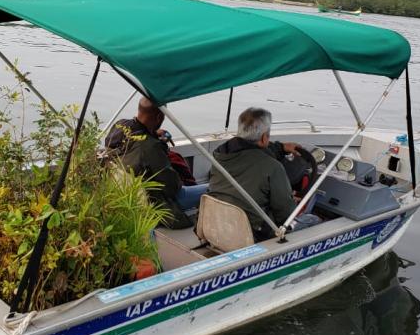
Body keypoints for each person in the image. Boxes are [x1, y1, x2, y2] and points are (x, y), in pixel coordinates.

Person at [207, 107, 320, 240]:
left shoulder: (220, 155)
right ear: (264, 138)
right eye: (268, 135)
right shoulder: (273, 167)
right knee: (313, 219)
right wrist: (290, 199)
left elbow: (251, 149)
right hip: (254, 233)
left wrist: (281, 148)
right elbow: (285, 215)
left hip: (217, 222)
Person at [105, 97, 207, 229]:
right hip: (156, 201)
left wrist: (152, 134)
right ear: (159, 117)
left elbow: (134, 140)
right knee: (213, 189)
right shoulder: (151, 147)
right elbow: (173, 187)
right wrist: (156, 144)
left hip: (127, 192)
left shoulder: (119, 125)